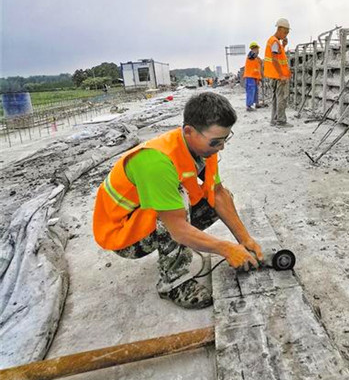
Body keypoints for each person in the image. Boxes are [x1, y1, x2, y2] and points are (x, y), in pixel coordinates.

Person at [93, 93, 263, 309]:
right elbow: (177, 229)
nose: (221, 147)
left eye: (225, 139)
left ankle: (174, 252)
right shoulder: (157, 162)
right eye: (216, 141)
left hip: (145, 217)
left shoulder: (203, 149)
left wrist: (244, 239)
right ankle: (172, 283)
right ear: (189, 131)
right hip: (123, 234)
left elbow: (218, 193)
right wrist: (226, 249)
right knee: (177, 203)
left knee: (218, 199)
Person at [264, 17, 292, 127]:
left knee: (276, 98)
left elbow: (278, 56)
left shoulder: (274, 42)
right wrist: (281, 75)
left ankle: (274, 120)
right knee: (281, 98)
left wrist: (283, 46)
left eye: (287, 33)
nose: (286, 35)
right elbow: (275, 60)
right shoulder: (275, 42)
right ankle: (281, 121)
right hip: (279, 76)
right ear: (279, 29)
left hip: (274, 75)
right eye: (285, 32)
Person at [243, 41, 263, 111]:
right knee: (251, 91)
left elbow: (259, 67)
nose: (258, 50)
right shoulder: (251, 55)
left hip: (255, 77)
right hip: (250, 76)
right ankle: (248, 106)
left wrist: (260, 77)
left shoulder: (256, 58)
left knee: (256, 91)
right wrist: (255, 53)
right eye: (256, 49)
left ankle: (257, 104)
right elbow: (252, 55)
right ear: (253, 48)